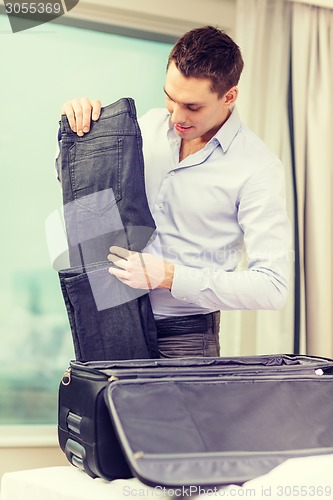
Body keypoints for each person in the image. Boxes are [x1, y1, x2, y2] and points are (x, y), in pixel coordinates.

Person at [59, 25, 291, 358]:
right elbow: (80, 191)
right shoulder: (144, 128)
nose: (177, 116)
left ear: (229, 96)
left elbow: (273, 287)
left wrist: (170, 276)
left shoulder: (258, 168)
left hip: (185, 339)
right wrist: (81, 133)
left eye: (192, 107)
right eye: (170, 97)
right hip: (108, 326)